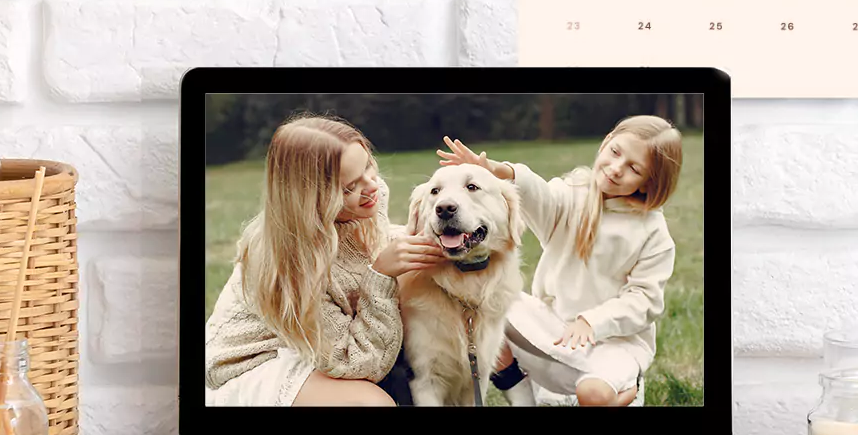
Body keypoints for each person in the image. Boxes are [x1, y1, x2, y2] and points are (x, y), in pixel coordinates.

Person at [437, 115, 681, 408]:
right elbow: (538, 195)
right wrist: (498, 171)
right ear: (606, 143)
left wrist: (593, 320)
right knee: (477, 306)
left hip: (615, 345)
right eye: (615, 152)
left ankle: (627, 392)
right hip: (551, 329)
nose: (616, 169)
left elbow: (645, 299)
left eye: (634, 168)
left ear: (650, 182)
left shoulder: (651, 231)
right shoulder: (572, 194)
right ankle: (522, 394)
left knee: (593, 395)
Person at [204, 114, 444, 406]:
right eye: (348, 187)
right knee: (372, 406)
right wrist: (380, 275)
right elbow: (353, 362)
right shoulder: (289, 259)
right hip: (265, 359)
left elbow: (360, 251)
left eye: (368, 165)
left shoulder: (365, 198)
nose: (371, 186)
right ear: (311, 197)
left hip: (327, 342)